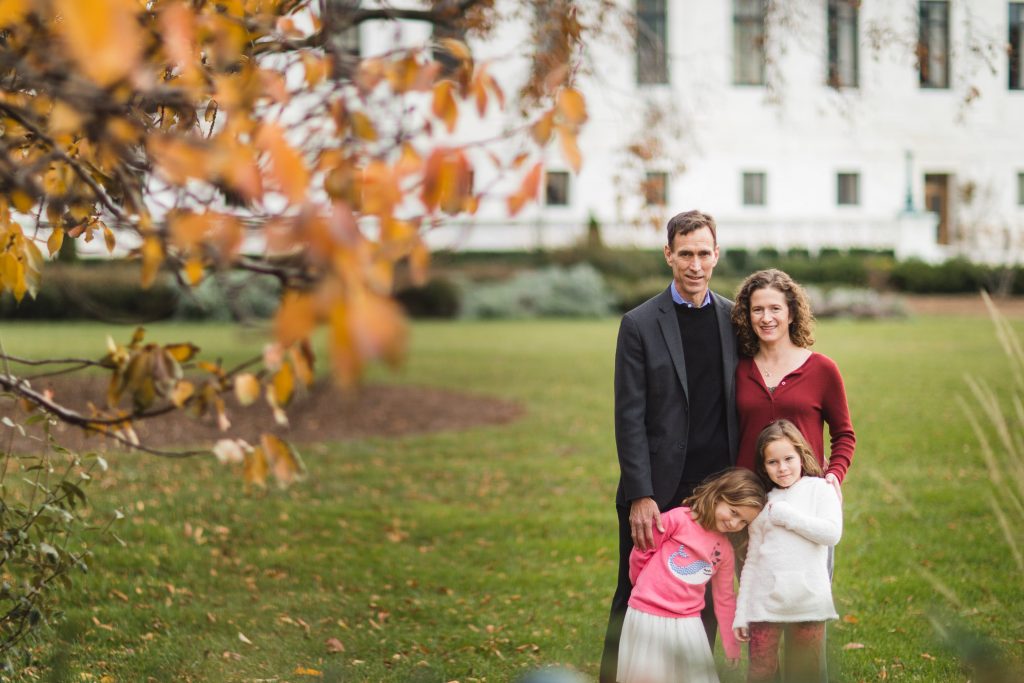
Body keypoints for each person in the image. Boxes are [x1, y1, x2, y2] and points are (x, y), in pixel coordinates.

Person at [601, 210, 741, 682]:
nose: (695, 264)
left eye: (704, 253)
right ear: (668, 255)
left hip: (714, 492)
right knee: (633, 592)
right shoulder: (639, 324)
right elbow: (629, 416)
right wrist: (640, 494)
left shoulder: (732, 318)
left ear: (717, 255)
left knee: (699, 594)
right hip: (655, 490)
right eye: (685, 254)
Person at [618, 468, 766, 683]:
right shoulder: (678, 519)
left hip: (687, 622)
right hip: (648, 615)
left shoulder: (724, 551)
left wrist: (731, 645)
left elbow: (724, 598)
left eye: (743, 522)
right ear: (718, 496)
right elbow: (642, 551)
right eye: (734, 512)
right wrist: (640, 586)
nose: (735, 524)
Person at [733, 420, 842, 683]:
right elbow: (752, 561)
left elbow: (831, 534)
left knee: (807, 672)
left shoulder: (820, 490)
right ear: (763, 465)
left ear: (801, 455)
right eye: (773, 462)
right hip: (764, 603)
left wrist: (789, 517)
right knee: (760, 672)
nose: (782, 468)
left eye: (788, 459)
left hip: (807, 600)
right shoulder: (763, 503)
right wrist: (741, 612)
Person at [731, 269, 855, 497]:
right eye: (757, 310)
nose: (766, 318)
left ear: (791, 314)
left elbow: (844, 435)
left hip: (805, 496)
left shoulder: (822, 369)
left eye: (775, 309)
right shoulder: (736, 370)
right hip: (747, 500)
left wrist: (834, 474)